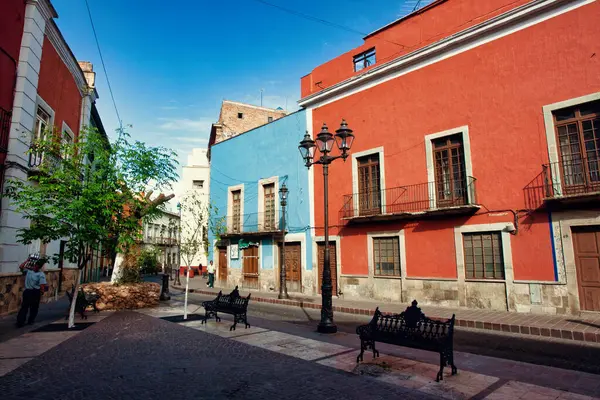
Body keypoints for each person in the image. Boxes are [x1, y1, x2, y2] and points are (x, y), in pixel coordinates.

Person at [16, 254, 47, 327]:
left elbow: (21, 267)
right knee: (33, 307)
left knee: (26, 307)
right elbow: (42, 285)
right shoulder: (39, 274)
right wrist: (42, 292)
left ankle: (23, 321)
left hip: (29, 292)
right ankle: (28, 321)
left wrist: (27, 260)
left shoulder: (29, 271)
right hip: (34, 292)